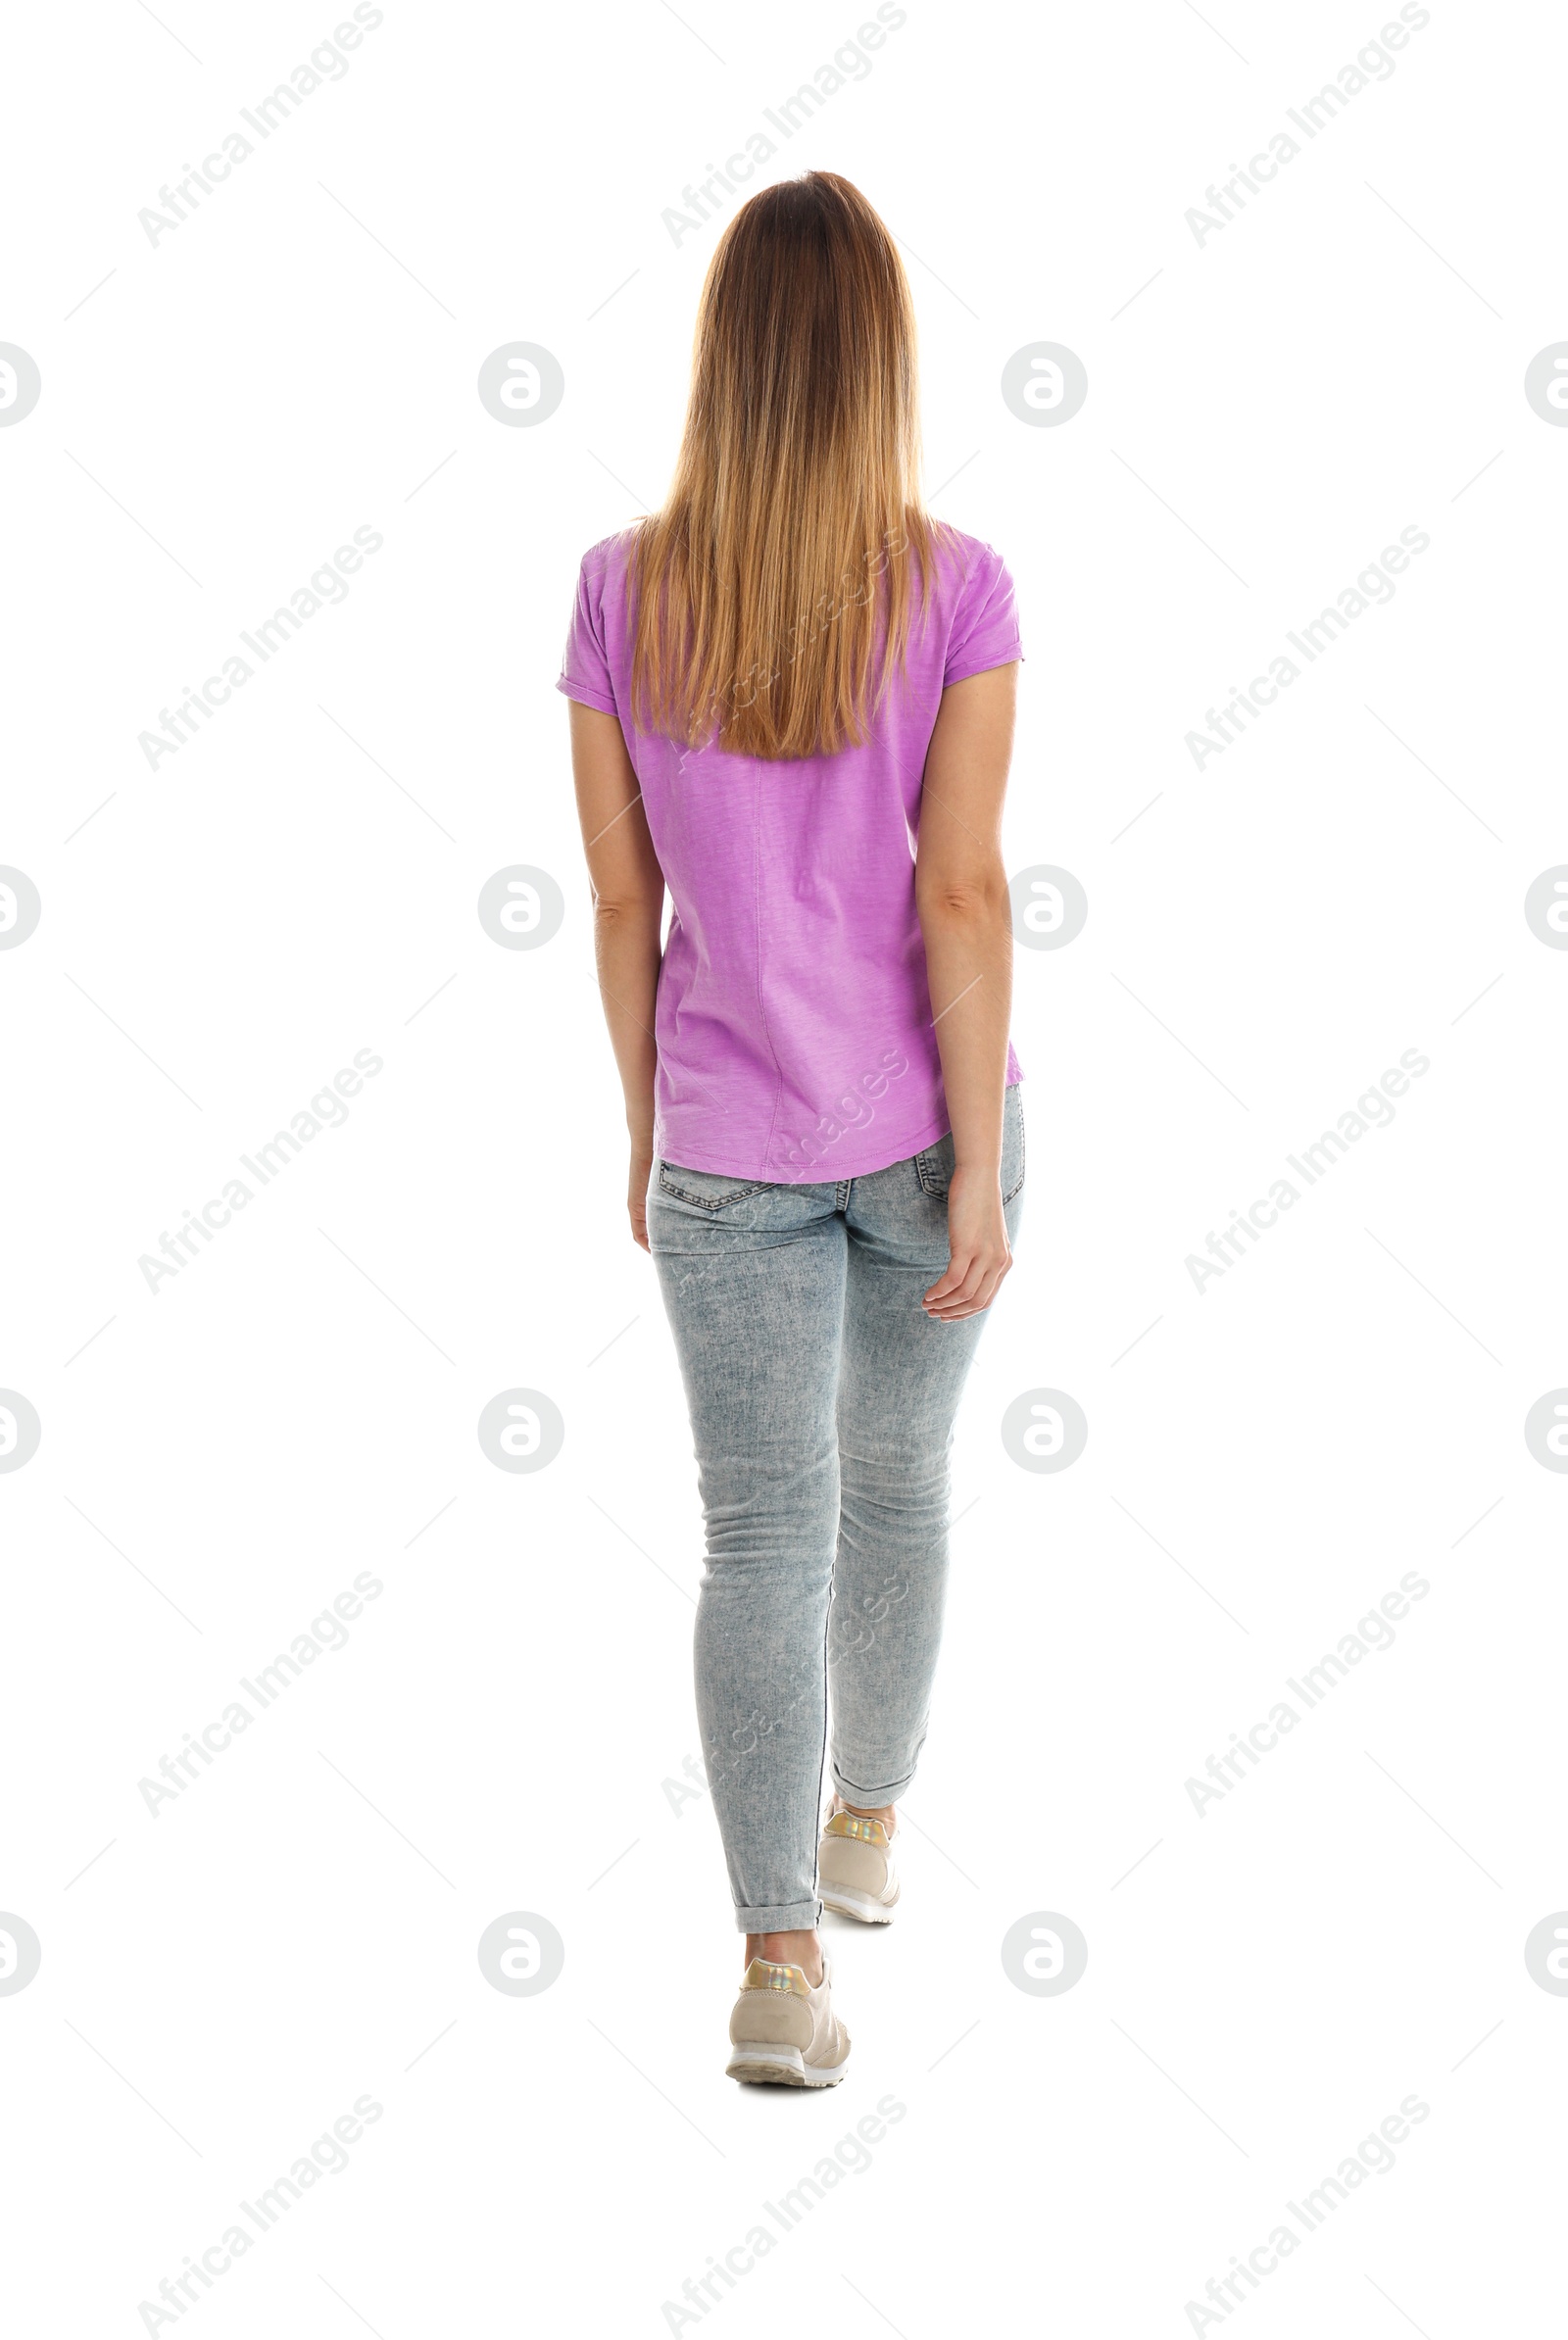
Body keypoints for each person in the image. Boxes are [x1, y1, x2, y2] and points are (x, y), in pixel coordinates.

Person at [560, 170, 1024, 2086]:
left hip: (727, 1144)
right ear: (878, 361)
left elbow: (614, 904)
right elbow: (963, 894)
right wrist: (982, 1164)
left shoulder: (615, 585)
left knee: (759, 1540)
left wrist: (644, 1126)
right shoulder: (956, 580)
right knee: (897, 1494)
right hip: (928, 1133)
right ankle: (862, 1832)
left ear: (723, 358)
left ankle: (772, 1971)